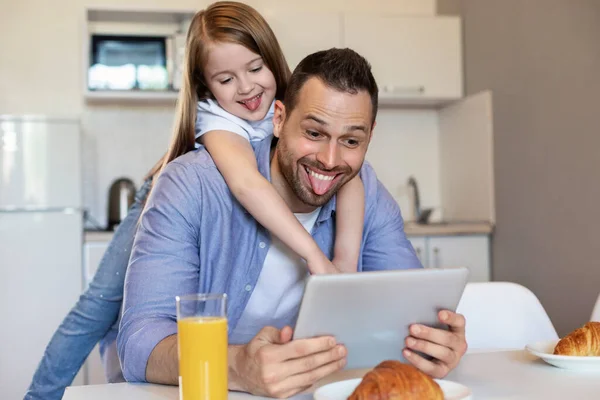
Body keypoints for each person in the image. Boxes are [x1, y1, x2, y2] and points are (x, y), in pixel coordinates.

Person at [117, 46, 468, 399]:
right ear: (279, 118)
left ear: (370, 136)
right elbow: (139, 343)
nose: (330, 160)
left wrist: (433, 342)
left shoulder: (367, 193)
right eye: (314, 134)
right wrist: (236, 367)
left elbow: (411, 308)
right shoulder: (192, 185)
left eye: (351, 141)